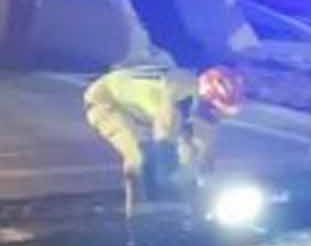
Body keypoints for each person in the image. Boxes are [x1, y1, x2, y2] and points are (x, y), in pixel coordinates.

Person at [84, 62, 244, 210]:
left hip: (143, 112)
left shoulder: (202, 107)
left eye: (221, 113)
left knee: (184, 156)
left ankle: (175, 212)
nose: (214, 116)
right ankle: (139, 221)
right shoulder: (178, 97)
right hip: (107, 101)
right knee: (140, 159)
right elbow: (164, 140)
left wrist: (204, 186)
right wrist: (168, 182)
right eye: (212, 109)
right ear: (203, 97)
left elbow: (203, 149)